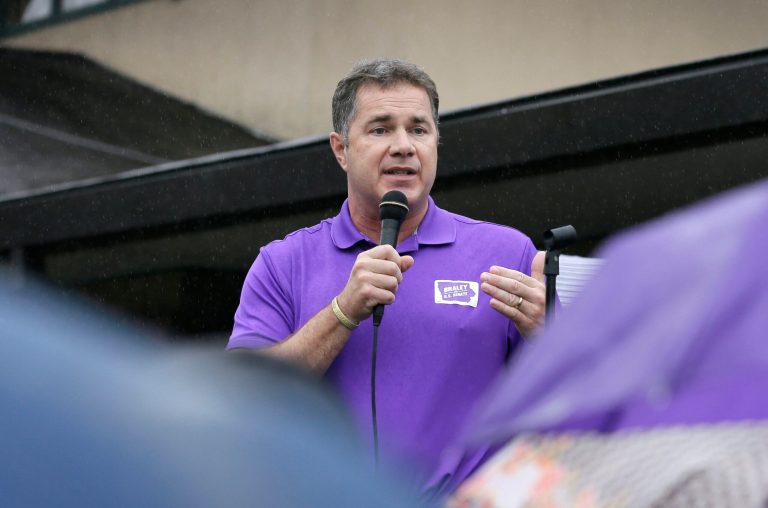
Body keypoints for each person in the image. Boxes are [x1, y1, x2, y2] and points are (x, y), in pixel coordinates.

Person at [228, 58, 547, 492]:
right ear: (341, 149)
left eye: (419, 129)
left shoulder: (507, 252)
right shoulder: (283, 263)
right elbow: (241, 400)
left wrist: (552, 333)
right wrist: (342, 312)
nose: (404, 146)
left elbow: (576, 408)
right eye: (381, 129)